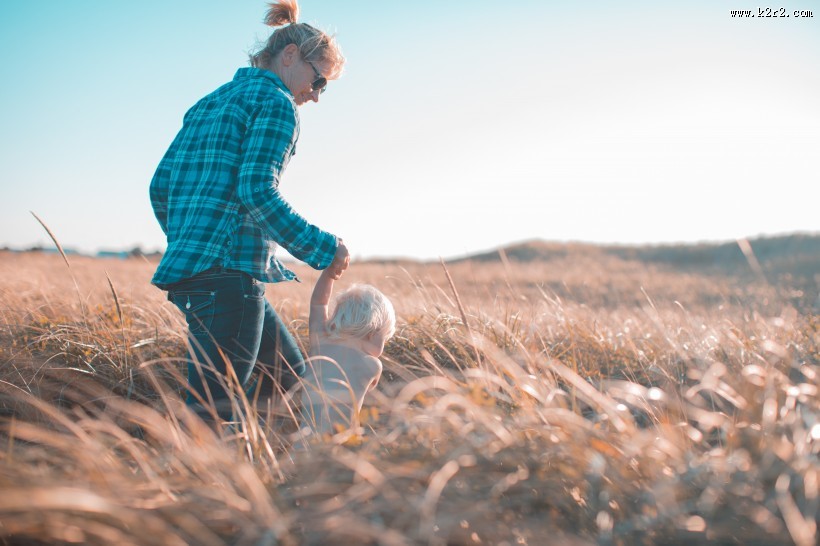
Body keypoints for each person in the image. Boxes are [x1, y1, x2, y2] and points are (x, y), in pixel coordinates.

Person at [149, 0, 349, 422]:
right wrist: (323, 248)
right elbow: (257, 191)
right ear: (291, 56)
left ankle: (292, 480)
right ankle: (196, 485)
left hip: (197, 273)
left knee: (292, 384)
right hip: (229, 278)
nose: (315, 96)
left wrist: (191, 242)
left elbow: (160, 187)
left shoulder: (209, 102)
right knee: (212, 415)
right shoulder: (278, 104)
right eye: (320, 82)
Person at [300, 268, 396, 435]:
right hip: (339, 442)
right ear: (373, 333)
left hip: (303, 439)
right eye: (385, 338)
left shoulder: (320, 343)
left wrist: (329, 275)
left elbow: (318, 303)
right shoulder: (373, 365)